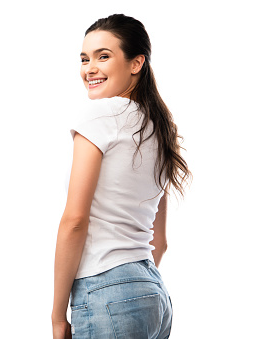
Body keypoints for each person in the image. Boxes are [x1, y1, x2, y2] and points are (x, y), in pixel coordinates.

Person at [51, 14, 193, 339]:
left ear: (136, 63)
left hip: (104, 290)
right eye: (85, 58)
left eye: (104, 56)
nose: (90, 68)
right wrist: (134, 284)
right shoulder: (159, 128)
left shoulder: (101, 114)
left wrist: (58, 315)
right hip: (153, 292)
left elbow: (75, 221)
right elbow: (160, 241)